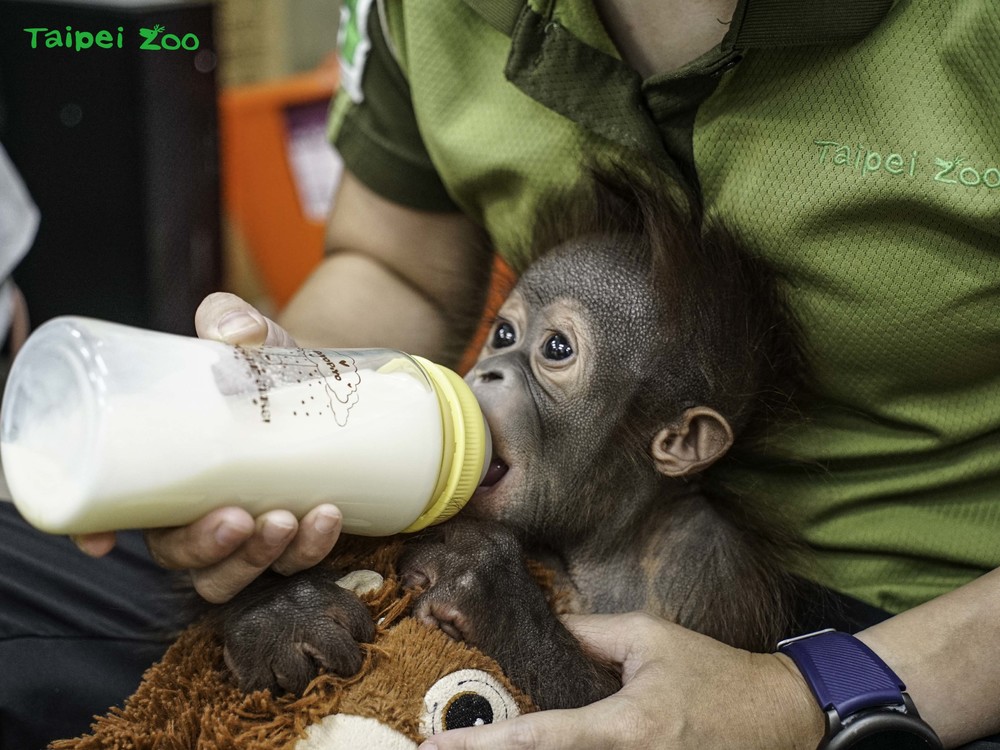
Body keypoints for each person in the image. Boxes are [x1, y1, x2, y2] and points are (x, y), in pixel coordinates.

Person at [69, 0, 1000, 747]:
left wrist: (808, 696)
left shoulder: (691, 563)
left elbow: (616, 711)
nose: (491, 376)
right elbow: (393, 265)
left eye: (553, 352)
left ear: (677, 440)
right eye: (504, 337)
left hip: (913, 631)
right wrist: (265, 428)